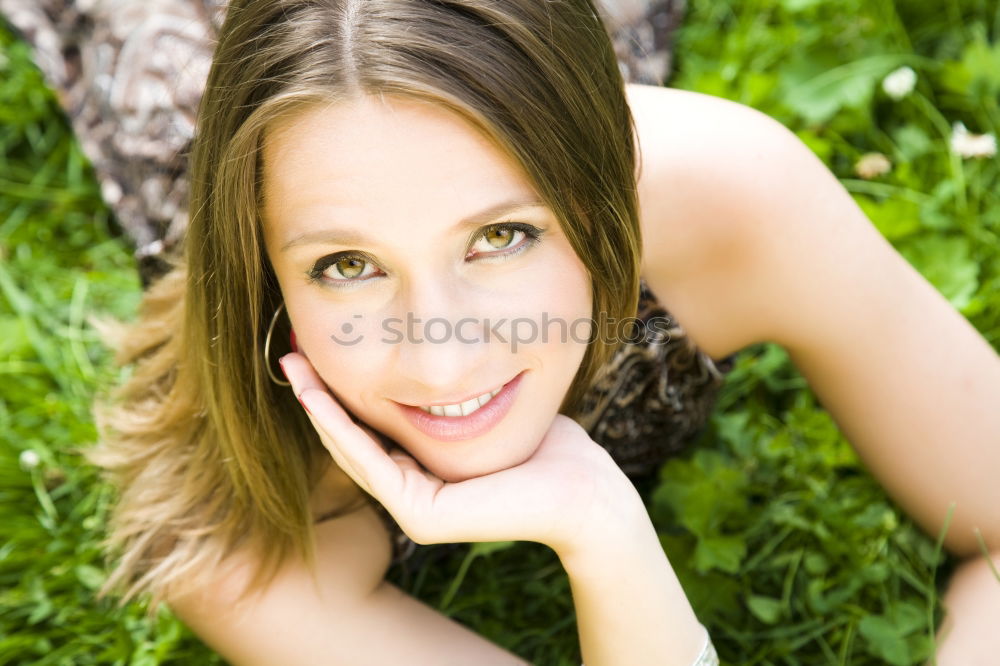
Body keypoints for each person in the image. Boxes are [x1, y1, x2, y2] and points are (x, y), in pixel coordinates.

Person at [29, 0, 1000, 664]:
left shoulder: (728, 199)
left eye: (502, 236)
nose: (443, 356)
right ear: (262, 264)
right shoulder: (236, 550)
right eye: (347, 265)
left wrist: (601, 521)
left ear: (598, 185)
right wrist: (602, 532)